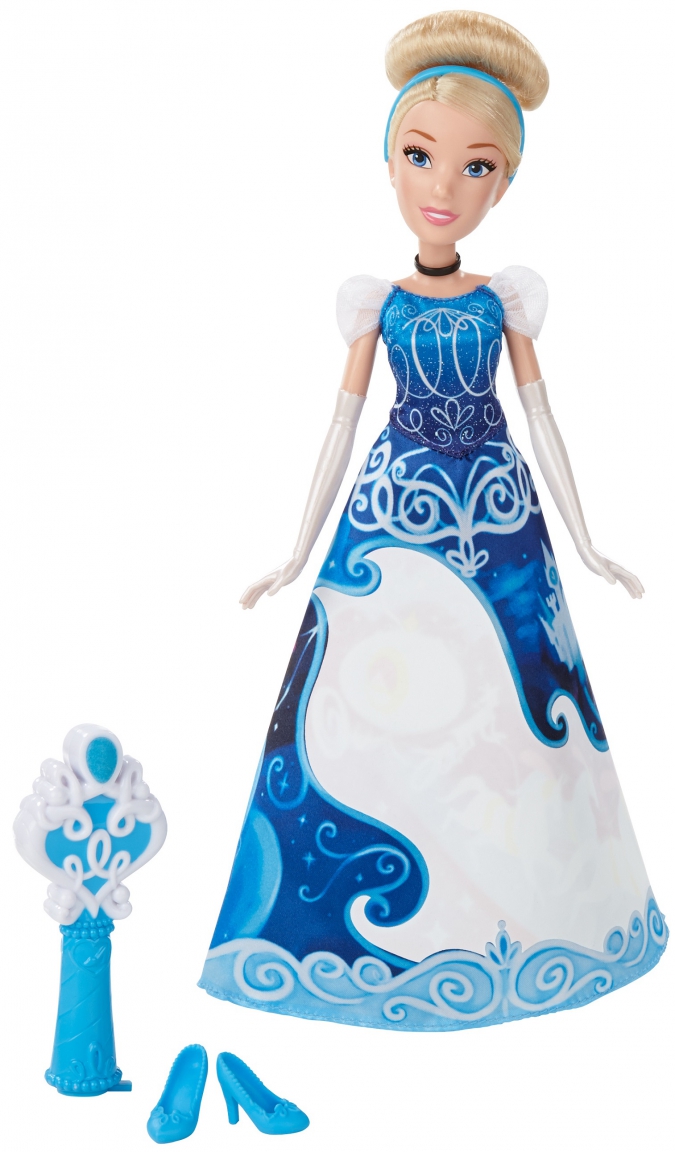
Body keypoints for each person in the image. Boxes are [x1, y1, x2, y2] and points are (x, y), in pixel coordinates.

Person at [200, 10, 667, 1032]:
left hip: (498, 516)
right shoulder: (378, 305)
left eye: (475, 166)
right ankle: (359, 934)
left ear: (504, 183)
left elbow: (540, 416)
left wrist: (587, 545)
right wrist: (295, 553)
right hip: (391, 512)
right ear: (389, 162)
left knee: (522, 705)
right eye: (420, 156)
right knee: (365, 699)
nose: (443, 186)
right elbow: (339, 424)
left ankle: (536, 923)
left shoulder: (505, 302)